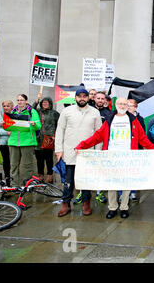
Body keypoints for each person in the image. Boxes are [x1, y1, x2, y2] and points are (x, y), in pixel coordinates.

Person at [75, 97, 154, 219]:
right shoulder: (110, 120)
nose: (123, 105)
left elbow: (142, 138)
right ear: (115, 104)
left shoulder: (133, 121)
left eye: (125, 104)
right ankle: (112, 208)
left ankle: (124, 207)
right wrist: (81, 146)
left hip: (127, 158)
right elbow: (97, 137)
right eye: (120, 103)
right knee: (111, 183)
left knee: (126, 183)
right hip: (111, 158)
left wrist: (153, 148)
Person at [55, 88, 102, 217]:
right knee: (68, 180)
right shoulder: (67, 111)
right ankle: (66, 203)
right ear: (75, 98)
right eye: (79, 96)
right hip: (70, 151)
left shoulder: (94, 112)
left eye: (84, 96)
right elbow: (60, 130)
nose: (82, 98)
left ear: (88, 98)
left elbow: (99, 134)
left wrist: (97, 152)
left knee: (86, 180)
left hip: (88, 153)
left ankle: (86, 203)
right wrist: (59, 149)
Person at [5, 94, 41, 187]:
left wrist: (33, 124)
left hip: (27, 142)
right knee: (13, 165)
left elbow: (38, 126)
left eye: (21, 100)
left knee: (27, 165)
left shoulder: (32, 111)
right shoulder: (13, 111)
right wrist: (5, 125)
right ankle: (14, 185)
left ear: (26, 101)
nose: (19, 102)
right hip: (13, 142)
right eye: (18, 100)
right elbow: (8, 126)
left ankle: (26, 185)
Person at [32, 93, 60, 183]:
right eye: (43, 102)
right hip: (38, 139)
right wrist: (37, 100)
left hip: (49, 139)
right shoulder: (37, 112)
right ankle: (40, 175)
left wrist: (55, 135)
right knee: (39, 159)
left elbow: (59, 125)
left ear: (50, 104)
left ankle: (50, 175)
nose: (45, 104)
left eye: (46, 103)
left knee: (49, 159)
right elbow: (31, 109)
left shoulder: (55, 113)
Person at [126, 98, 146, 201]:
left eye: (131, 105)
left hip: (136, 149)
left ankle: (133, 192)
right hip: (123, 149)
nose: (129, 107)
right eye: (127, 105)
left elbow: (142, 135)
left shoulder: (140, 119)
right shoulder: (121, 117)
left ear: (136, 107)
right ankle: (122, 194)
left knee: (133, 172)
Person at [0, 100, 14, 186]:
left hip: (13, 141)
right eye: (4, 106)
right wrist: (7, 132)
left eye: (8, 106)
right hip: (2, 142)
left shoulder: (14, 116)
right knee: (6, 161)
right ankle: (7, 178)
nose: (6, 108)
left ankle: (14, 177)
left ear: (11, 107)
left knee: (14, 160)